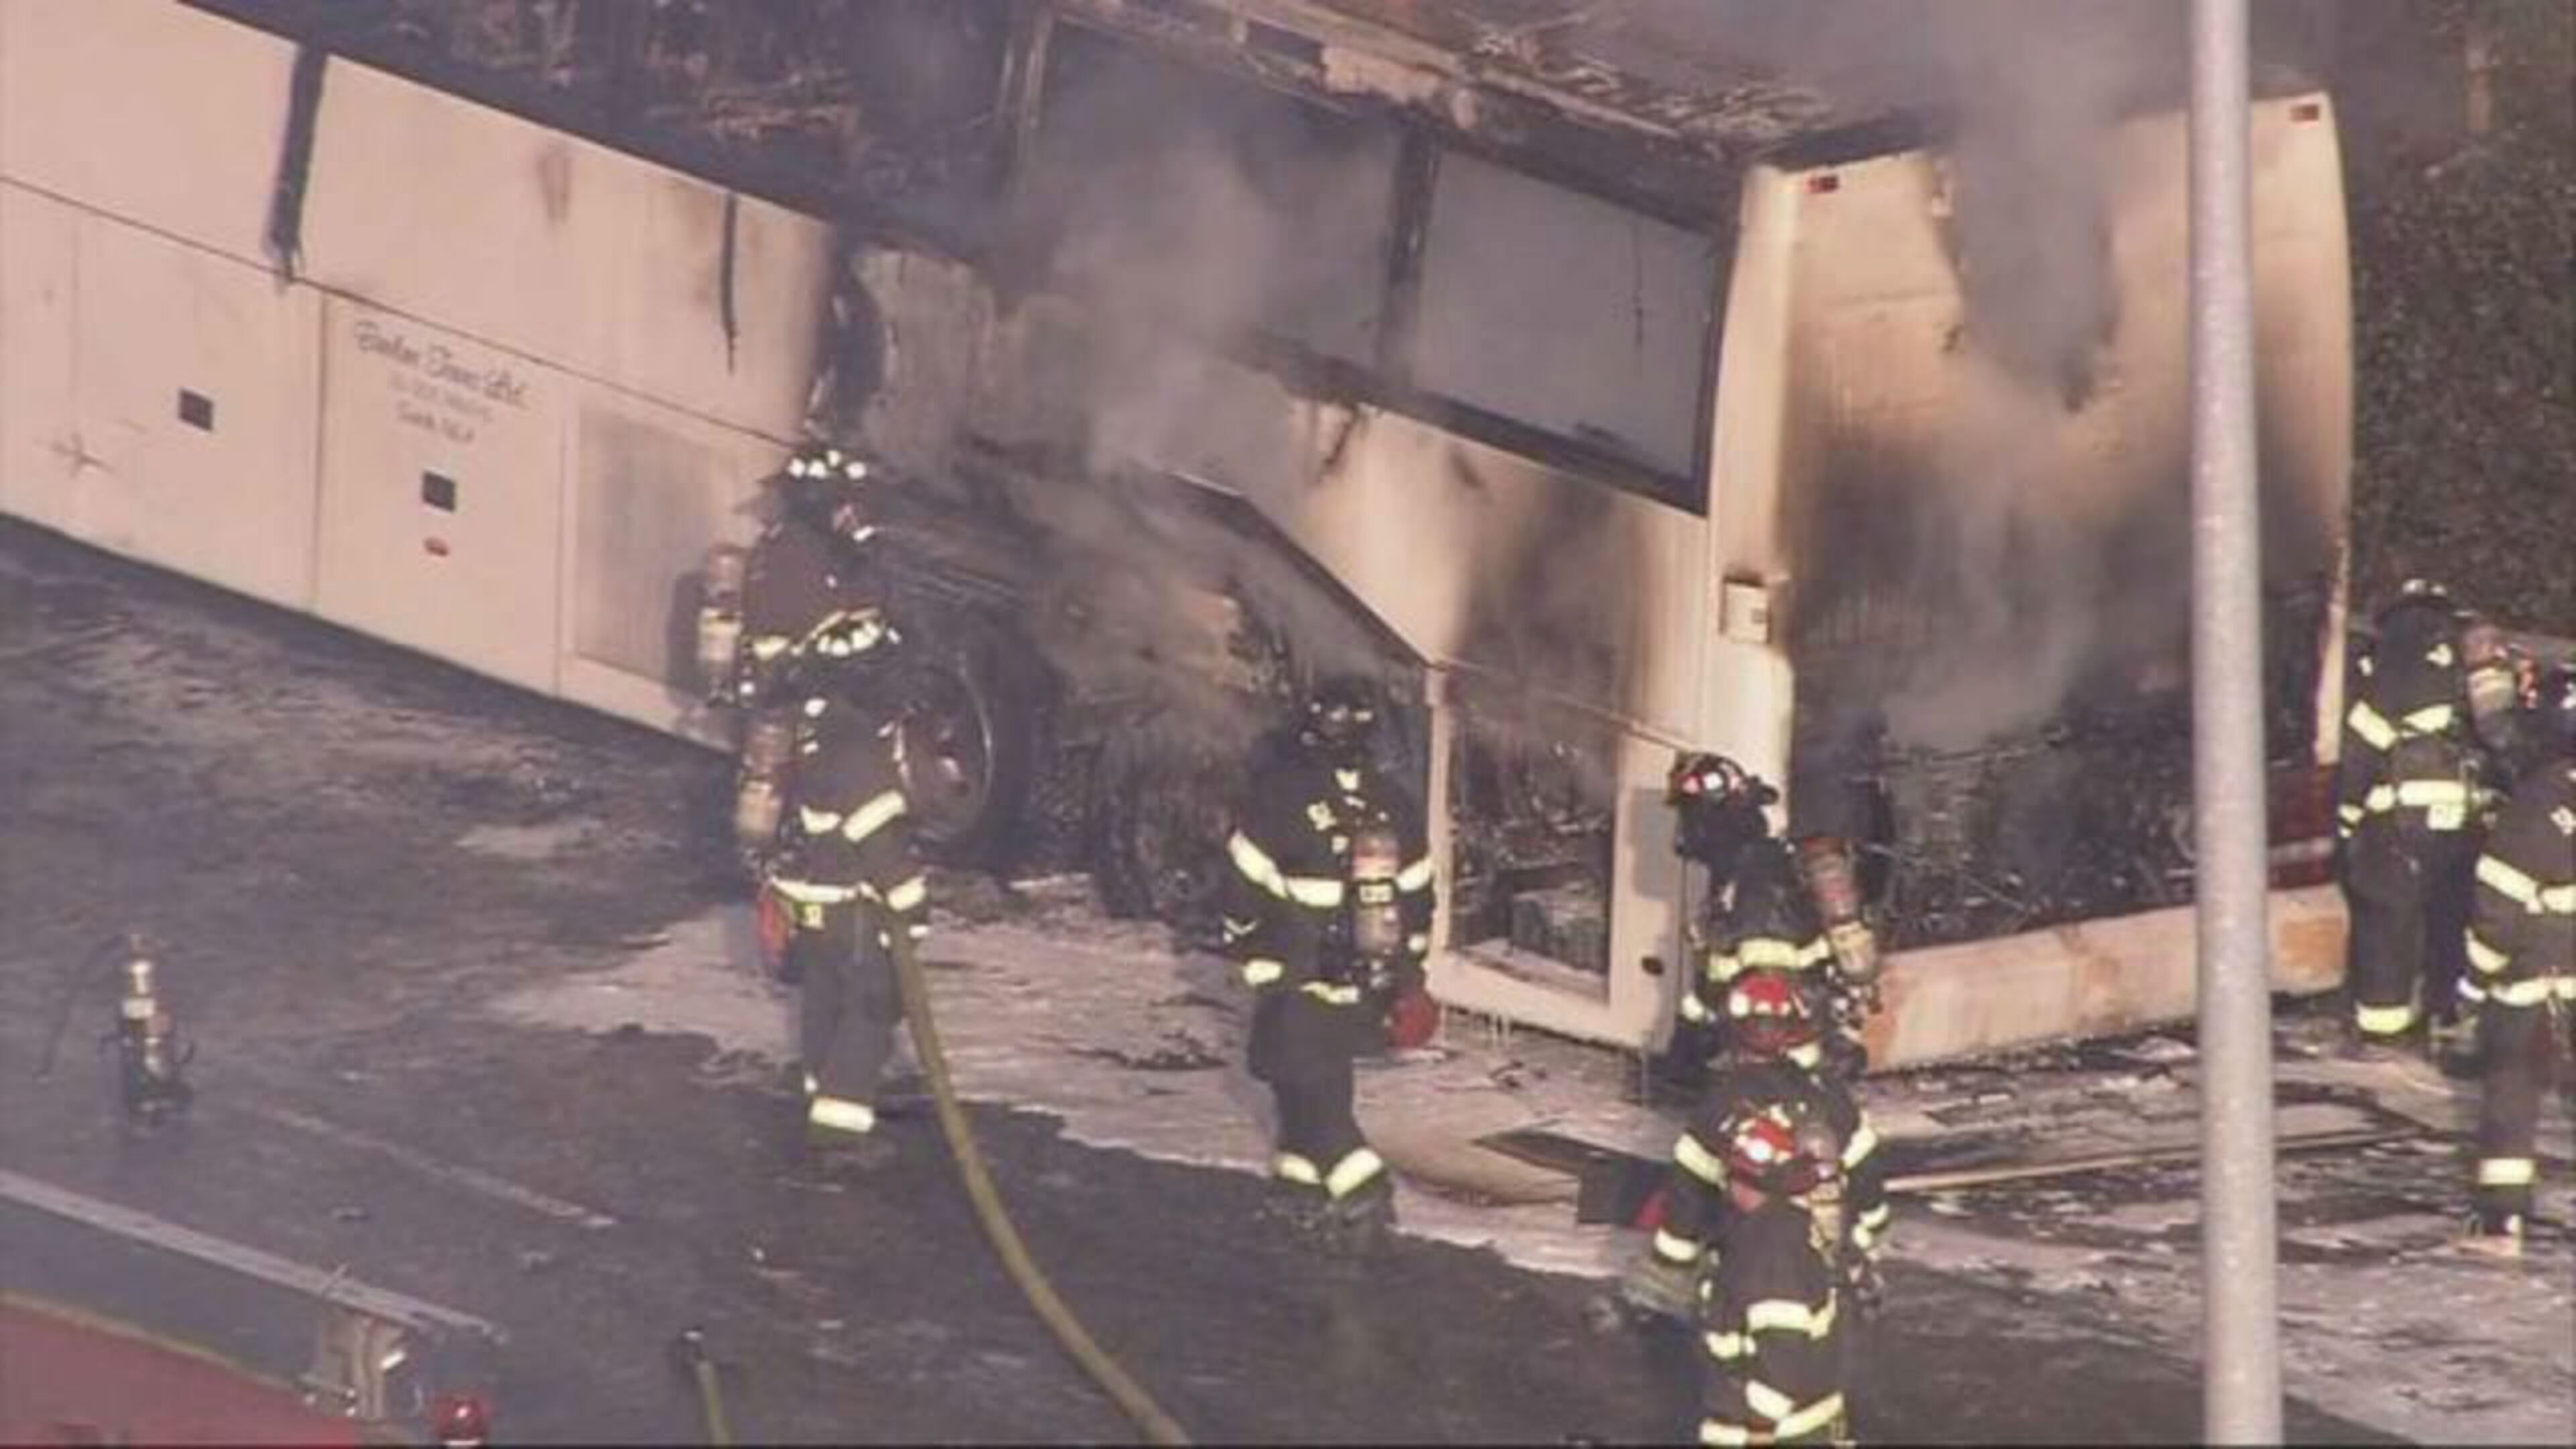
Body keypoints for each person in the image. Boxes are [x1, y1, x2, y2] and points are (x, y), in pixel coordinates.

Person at [1222, 674, 1436, 1248]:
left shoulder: (1279, 794)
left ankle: (1364, 1191)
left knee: (1304, 1082)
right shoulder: (1394, 801)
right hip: (1368, 976)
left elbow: (1241, 885)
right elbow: (1418, 893)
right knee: (1316, 1079)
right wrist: (1408, 970)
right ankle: (1300, 1189)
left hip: (1295, 972)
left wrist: (1242, 942)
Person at [1622, 969, 1889, 1330]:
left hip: (1752, 1261)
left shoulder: (1718, 1105)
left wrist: (1668, 1271)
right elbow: (1867, 1173)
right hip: (1833, 1256)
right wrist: (1871, 1235)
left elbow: (1686, 1198)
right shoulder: (1829, 1093)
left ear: (1732, 1036)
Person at [2334, 580, 2506, 1055]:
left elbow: (2362, 745)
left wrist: (2346, 819)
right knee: (2450, 918)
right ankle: (2446, 1016)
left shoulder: (2397, 654)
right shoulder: (2469, 655)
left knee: (2387, 921)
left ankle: (2384, 1030)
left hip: (2402, 819)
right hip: (2467, 818)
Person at [767, 696, 932, 1177]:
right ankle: (839, 1135)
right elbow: (882, 847)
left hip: (804, 903)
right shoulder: (859, 757)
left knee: (825, 997)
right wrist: (913, 908)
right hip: (850, 909)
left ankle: (825, 1093)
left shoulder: (806, 738)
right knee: (869, 1011)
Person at [2456, 665, 2575, 1256]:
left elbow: (2497, 911)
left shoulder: (2535, 806)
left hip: (2536, 980)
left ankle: (2502, 1224)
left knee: (2511, 1090)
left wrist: (2475, 984)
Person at [1665, 754, 1862, 1081]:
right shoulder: (1745, 861)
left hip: (1777, 1003)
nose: (1687, 827)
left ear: (1710, 813)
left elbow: (1755, 953)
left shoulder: (1753, 868)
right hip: (1789, 999)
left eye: (1690, 813)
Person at [1695, 1102, 1855, 1447]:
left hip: (1780, 1431)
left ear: (1741, 1179)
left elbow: (1782, 1347)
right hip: (1775, 1420)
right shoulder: (1764, 1229)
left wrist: (1761, 1429)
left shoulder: (1771, 1251)